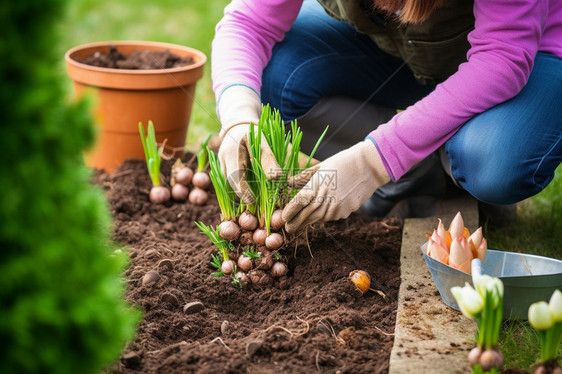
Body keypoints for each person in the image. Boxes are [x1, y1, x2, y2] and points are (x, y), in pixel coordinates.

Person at [211, 0, 562, 233]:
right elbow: (247, 22)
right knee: (273, 75)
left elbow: (502, 59)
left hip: (534, 51)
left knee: (495, 163)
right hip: (403, 49)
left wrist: (373, 161)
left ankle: (459, 155)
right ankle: (424, 175)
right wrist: (239, 116)